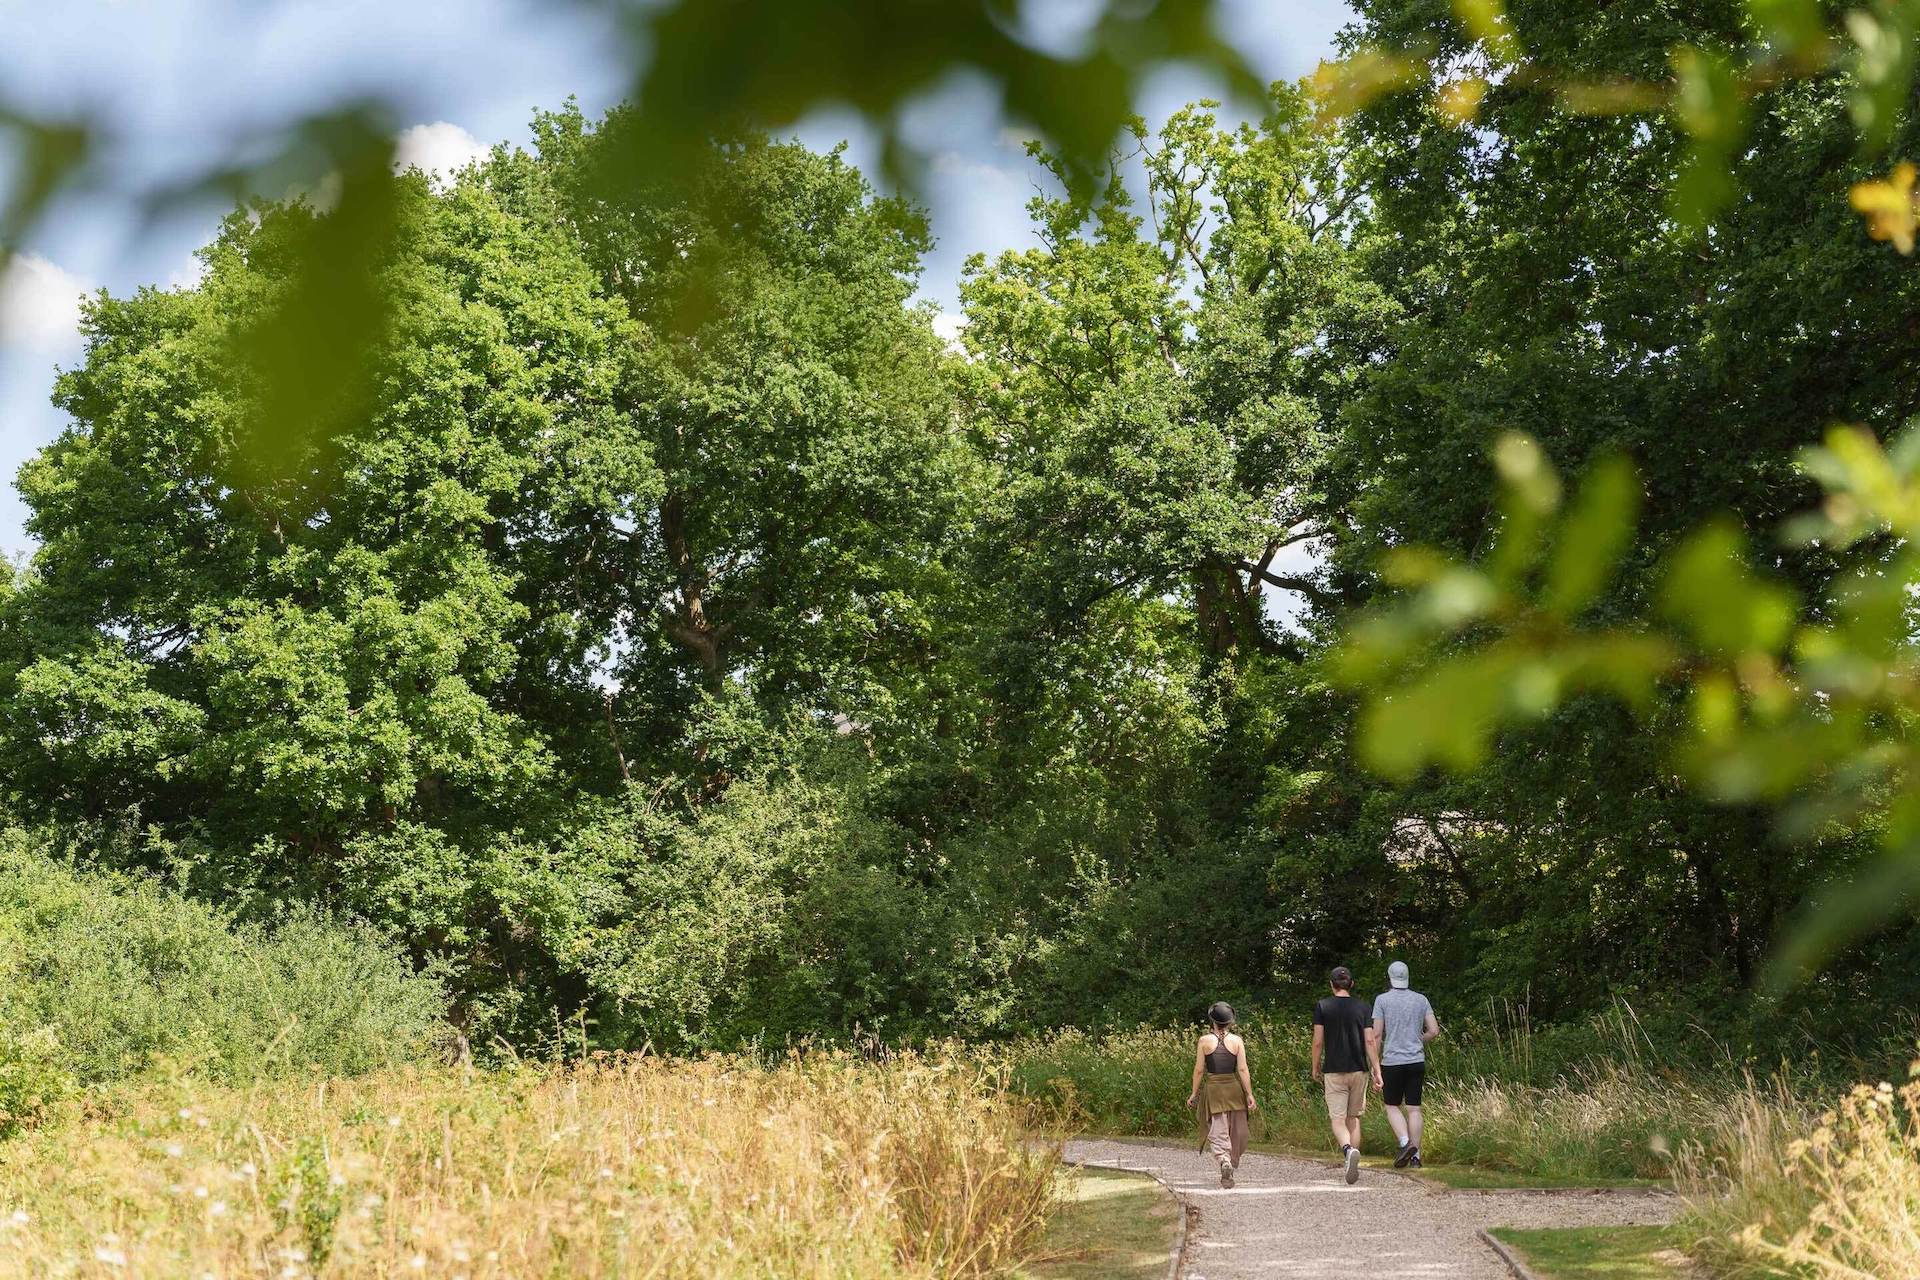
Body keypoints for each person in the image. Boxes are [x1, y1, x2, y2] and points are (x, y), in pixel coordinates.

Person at [1368, 960, 1441, 1168]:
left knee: (1391, 1105)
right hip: (1416, 1060)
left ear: (1389, 977)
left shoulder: (1382, 1000)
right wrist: (1420, 1039)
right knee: (1414, 1109)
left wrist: (1375, 1064)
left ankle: (1405, 1142)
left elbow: (1378, 1033)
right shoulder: (1421, 1000)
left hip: (1392, 1061)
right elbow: (1434, 1031)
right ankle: (1416, 1157)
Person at [1311, 965, 1375, 1184]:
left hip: (1334, 1070)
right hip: (1359, 1069)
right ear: (1352, 984)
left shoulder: (1323, 1006)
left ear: (1332, 985)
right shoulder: (1364, 1007)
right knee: (1353, 1118)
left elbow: (1318, 1041)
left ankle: (1348, 1151)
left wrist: (1315, 1065)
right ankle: (1352, 1159)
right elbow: (1369, 1040)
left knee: (1337, 1119)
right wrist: (1376, 1067)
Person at [1186, 1001, 1256, 1188]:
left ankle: (1224, 1160)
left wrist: (1194, 1093)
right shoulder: (1237, 1041)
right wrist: (1249, 1093)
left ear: (1212, 1021)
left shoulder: (1204, 1041)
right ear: (1230, 1022)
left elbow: (1199, 1070)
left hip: (1214, 1088)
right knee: (1238, 1129)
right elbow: (1242, 1068)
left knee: (1218, 1129)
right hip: (1234, 1088)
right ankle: (1231, 1160)